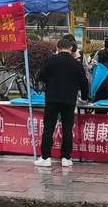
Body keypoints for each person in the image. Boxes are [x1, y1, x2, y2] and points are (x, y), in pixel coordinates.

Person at [35, 38, 91, 168]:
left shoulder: (51, 60)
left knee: (48, 128)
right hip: (69, 100)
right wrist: (85, 97)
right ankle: (66, 157)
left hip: (52, 99)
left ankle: (45, 157)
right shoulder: (76, 64)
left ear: (57, 48)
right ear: (71, 49)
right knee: (67, 128)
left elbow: (41, 76)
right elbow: (84, 82)